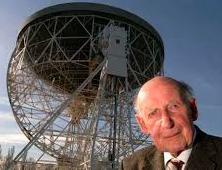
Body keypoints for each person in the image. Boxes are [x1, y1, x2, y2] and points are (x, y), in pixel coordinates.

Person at [120, 76, 222, 170]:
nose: (167, 123)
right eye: (153, 113)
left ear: (193, 110)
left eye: (174, 107)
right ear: (142, 124)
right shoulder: (130, 165)